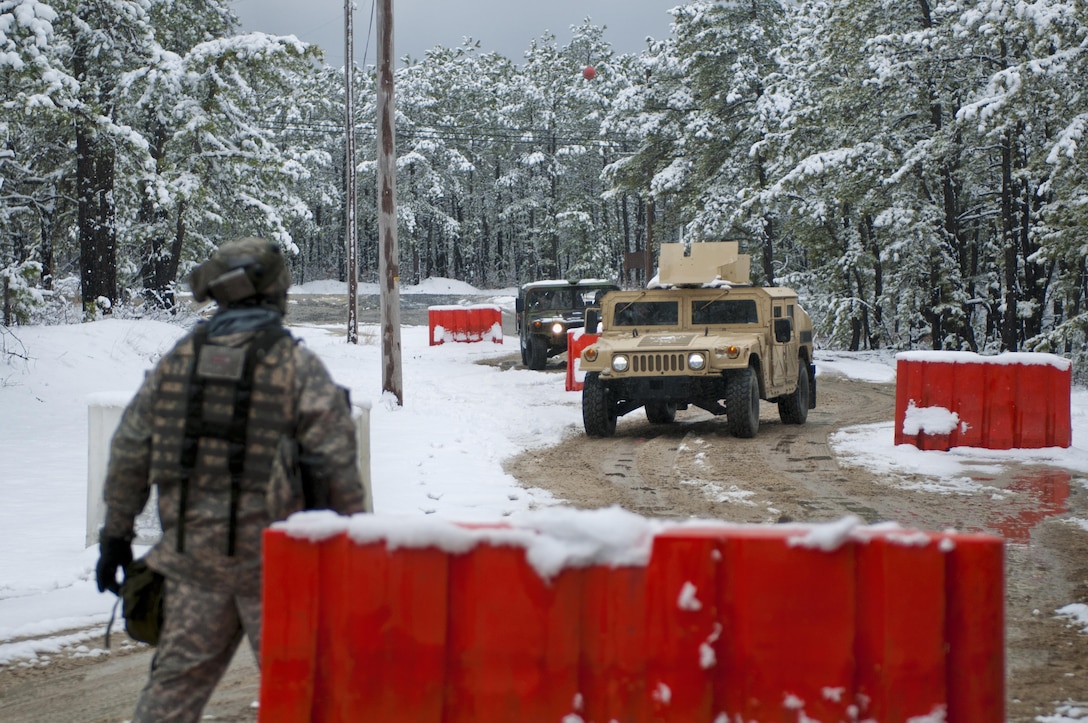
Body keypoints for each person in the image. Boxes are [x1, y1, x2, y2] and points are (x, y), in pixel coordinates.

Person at [95, 236, 367, 722]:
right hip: (280, 571)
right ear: (275, 292)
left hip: (194, 567)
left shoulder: (179, 361)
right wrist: (354, 553)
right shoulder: (295, 366)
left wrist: (115, 534)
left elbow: (131, 449)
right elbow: (337, 466)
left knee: (170, 699)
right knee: (312, 699)